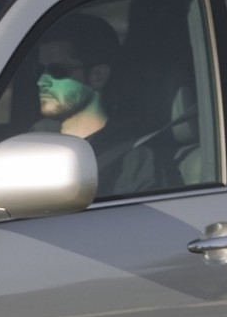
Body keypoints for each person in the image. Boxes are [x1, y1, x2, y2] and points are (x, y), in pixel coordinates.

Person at [31, 13, 160, 198]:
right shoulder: (34, 141)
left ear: (98, 75)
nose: (42, 81)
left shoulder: (133, 161)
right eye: (39, 70)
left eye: (57, 71)